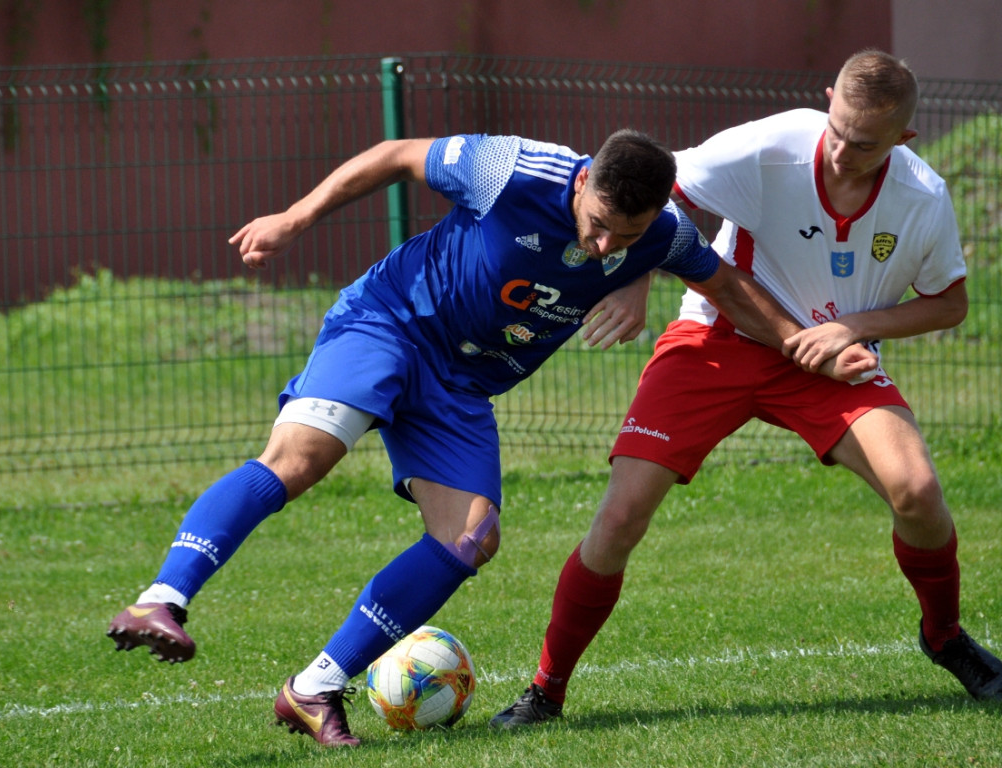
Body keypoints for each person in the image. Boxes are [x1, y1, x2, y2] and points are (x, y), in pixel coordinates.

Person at [105, 129, 869, 749]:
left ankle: (313, 689)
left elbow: (729, 289)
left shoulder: (658, 235)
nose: (605, 246)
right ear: (581, 184)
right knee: (302, 459)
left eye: (624, 235)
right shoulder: (508, 168)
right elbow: (396, 155)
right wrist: (297, 217)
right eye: (598, 223)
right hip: (391, 324)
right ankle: (162, 599)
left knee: (470, 537)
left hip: (463, 388)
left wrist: (816, 345)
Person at [491, 49, 1002, 729]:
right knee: (619, 518)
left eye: (866, 142)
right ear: (828, 100)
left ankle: (943, 637)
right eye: (839, 127)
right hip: (717, 341)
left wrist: (852, 328)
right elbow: (663, 188)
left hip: (828, 363)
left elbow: (949, 303)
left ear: (904, 139)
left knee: (919, 492)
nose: (844, 150)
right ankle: (546, 690)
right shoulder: (774, 147)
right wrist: (635, 274)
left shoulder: (922, 196)